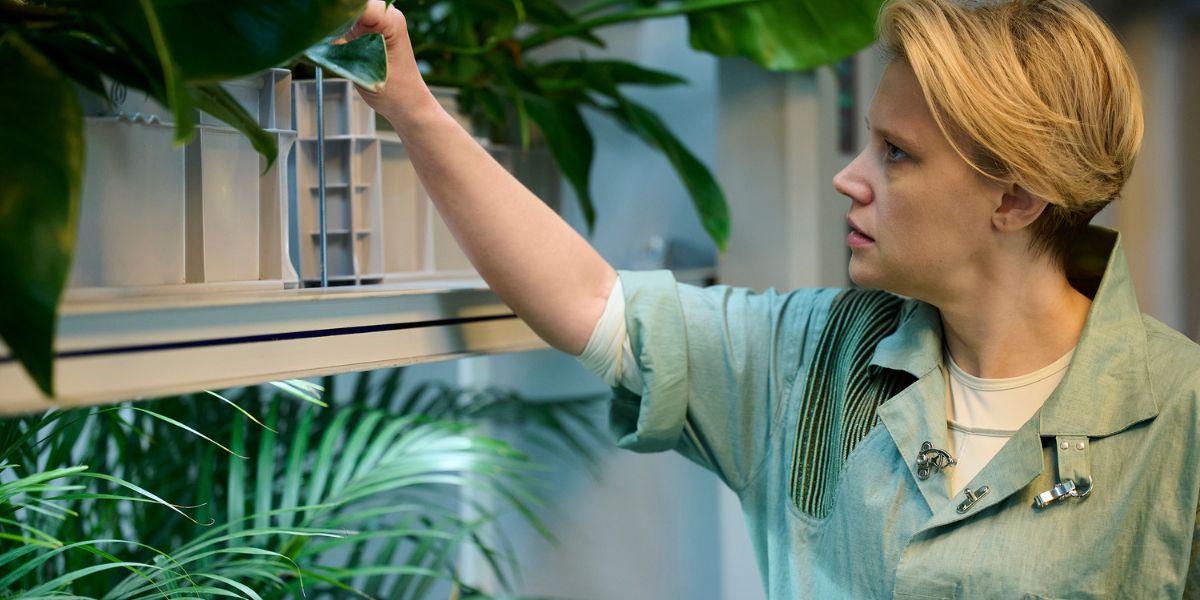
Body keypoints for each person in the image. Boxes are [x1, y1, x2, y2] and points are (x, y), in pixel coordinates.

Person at [349, 0, 1200, 596]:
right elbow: (589, 302)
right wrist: (412, 107)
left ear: (1015, 198)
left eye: (896, 154)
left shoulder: (1180, 417)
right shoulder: (810, 357)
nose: (849, 178)